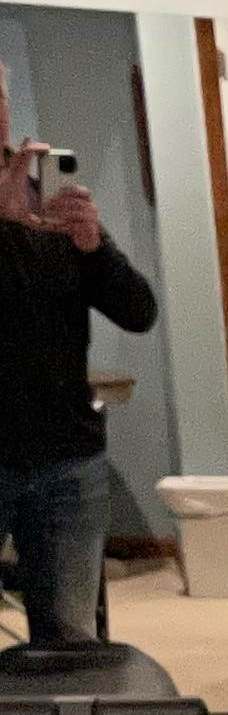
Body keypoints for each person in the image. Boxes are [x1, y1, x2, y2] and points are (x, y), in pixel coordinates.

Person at [0, 65, 160, 650]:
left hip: (67, 462)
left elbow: (139, 312)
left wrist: (93, 247)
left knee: (70, 646)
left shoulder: (51, 204)